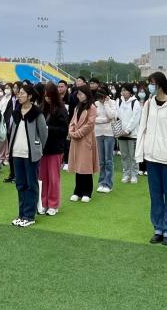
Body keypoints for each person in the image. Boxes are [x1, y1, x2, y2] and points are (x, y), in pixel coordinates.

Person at [136, 72, 167, 246]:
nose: (150, 87)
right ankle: (158, 228)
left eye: (153, 83)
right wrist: (140, 154)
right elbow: (142, 129)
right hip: (151, 157)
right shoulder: (149, 104)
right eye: (149, 83)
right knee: (155, 195)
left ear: (161, 85)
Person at [8, 84, 47, 227]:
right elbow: (12, 131)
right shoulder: (16, 112)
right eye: (19, 93)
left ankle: (29, 216)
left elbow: (43, 134)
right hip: (16, 152)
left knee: (31, 185)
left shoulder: (37, 113)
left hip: (30, 155)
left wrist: (37, 148)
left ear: (30, 96)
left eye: (22, 93)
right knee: (20, 185)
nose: (19, 95)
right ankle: (22, 214)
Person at [40, 83, 69, 216]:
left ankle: (53, 204)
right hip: (42, 148)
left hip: (55, 148)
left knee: (53, 178)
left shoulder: (61, 109)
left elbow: (64, 130)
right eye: (45, 96)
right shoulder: (42, 108)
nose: (47, 98)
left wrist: (48, 129)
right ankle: (44, 202)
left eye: (49, 96)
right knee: (42, 177)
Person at [67, 85, 99, 202]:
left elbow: (90, 125)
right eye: (78, 94)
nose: (78, 96)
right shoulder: (78, 107)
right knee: (78, 166)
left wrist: (77, 133)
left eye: (80, 94)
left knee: (86, 166)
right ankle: (77, 191)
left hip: (86, 140)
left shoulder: (92, 107)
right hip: (76, 140)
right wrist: (71, 131)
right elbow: (72, 121)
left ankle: (87, 192)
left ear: (86, 94)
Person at [93, 87, 118, 193]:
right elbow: (93, 118)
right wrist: (104, 120)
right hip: (98, 133)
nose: (101, 99)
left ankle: (108, 183)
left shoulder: (112, 103)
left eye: (102, 97)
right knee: (101, 160)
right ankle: (101, 182)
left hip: (109, 134)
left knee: (108, 160)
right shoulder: (95, 104)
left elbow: (112, 116)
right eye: (99, 97)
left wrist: (107, 103)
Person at [116, 85, 142, 184]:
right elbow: (117, 116)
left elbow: (135, 118)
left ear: (130, 92)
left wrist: (127, 130)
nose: (124, 92)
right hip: (121, 134)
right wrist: (120, 130)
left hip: (132, 134)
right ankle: (126, 174)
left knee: (133, 156)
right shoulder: (119, 101)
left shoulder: (135, 102)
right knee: (124, 155)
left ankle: (134, 174)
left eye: (126, 90)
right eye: (122, 90)